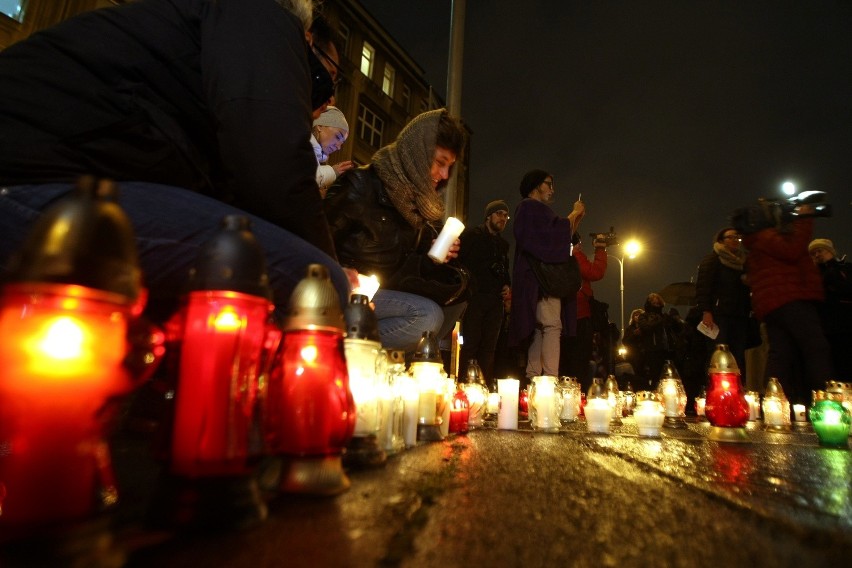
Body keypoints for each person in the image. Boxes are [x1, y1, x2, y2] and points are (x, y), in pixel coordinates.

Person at [0, 0, 351, 317]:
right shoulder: (259, 14)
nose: (329, 97)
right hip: (36, 185)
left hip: (51, 178)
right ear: (305, 39)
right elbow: (274, 173)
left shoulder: (199, 41)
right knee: (316, 282)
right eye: (327, 75)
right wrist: (331, 269)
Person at [324, 109, 468, 353]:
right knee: (427, 316)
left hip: (383, 293)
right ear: (417, 153)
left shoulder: (417, 205)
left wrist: (435, 258)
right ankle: (344, 349)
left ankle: (366, 353)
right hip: (343, 290)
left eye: (449, 167)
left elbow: (404, 267)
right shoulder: (360, 185)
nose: (444, 175)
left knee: (454, 305)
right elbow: (316, 236)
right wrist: (340, 270)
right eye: (440, 163)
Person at [742, 211, 832, 405]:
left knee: (780, 354)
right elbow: (793, 249)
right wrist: (805, 219)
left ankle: (774, 402)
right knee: (815, 347)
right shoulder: (767, 237)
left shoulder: (757, 242)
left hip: (773, 305)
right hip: (790, 298)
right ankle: (826, 400)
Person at [507, 170, 585, 381]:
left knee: (540, 327)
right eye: (548, 184)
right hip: (541, 279)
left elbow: (558, 236)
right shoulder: (529, 207)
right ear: (535, 185)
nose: (552, 189)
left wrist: (574, 220)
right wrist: (573, 214)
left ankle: (534, 377)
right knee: (551, 325)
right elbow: (549, 237)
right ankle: (550, 379)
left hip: (537, 279)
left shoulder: (530, 210)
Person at [457, 199, 512, 382]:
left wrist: (507, 285)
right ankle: (465, 384)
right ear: (488, 216)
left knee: (489, 347)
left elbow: (504, 270)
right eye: (499, 214)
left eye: (506, 215)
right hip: (475, 297)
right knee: (471, 344)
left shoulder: (503, 245)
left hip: (495, 301)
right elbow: (460, 261)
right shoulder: (472, 236)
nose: (503, 218)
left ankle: (484, 385)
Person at [694, 227, 753, 379]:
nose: (735, 240)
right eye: (730, 237)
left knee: (738, 355)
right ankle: (715, 390)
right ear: (721, 240)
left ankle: (737, 390)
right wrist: (706, 311)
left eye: (737, 237)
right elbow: (703, 287)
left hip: (739, 314)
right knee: (718, 354)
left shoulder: (743, 263)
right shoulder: (713, 260)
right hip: (718, 315)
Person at [559, 233, 608, 388]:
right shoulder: (575, 257)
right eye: (578, 242)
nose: (581, 245)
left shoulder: (556, 257)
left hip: (562, 315)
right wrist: (600, 249)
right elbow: (595, 272)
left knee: (564, 359)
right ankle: (577, 394)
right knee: (579, 360)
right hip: (579, 315)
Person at [809, 238, 852, 380]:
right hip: (823, 327)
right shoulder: (813, 275)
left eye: (820, 251)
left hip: (843, 326)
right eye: (813, 253)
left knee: (844, 362)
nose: (817, 255)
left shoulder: (844, 269)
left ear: (830, 251)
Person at [636, 293, 684, 388]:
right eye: (653, 303)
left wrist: (675, 320)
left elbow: (678, 330)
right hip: (653, 350)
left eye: (658, 303)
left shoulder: (665, 316)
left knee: (672, 375)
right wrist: (659, 320)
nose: (656, 305)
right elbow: (646, 327)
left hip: (669, 349)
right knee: (656, 376)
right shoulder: (644, 316)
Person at [311, 106, 354, 196]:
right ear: (320, 126)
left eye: (342, 143)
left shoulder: (315, 155)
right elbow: (307, 175)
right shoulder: (303, 142)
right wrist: (333, 172)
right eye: (338, 136)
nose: (338, 147)